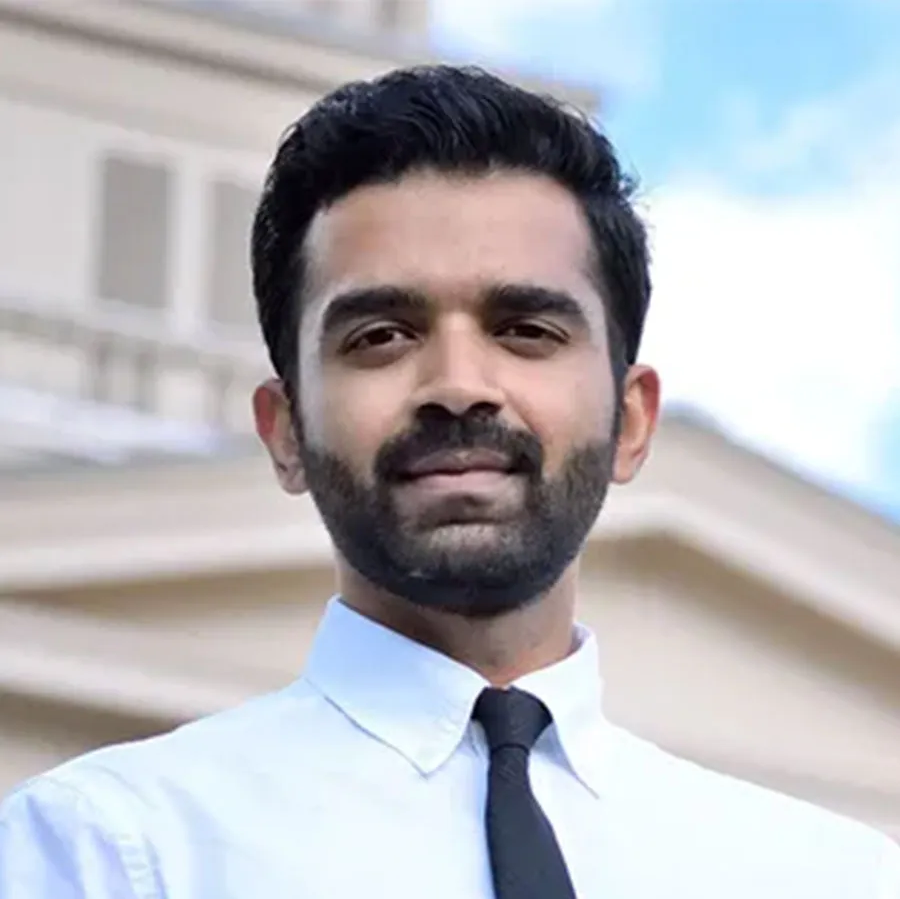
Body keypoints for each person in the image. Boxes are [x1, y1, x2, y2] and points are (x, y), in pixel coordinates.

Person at [0, 64, 896, 899]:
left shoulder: (834, 877)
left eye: (527, 329)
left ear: (631, 422)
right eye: (381, 335)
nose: (459, 383)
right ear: (287, 435)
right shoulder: (106, 851)